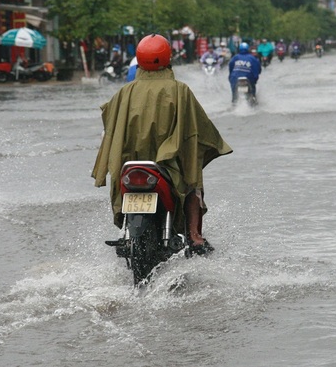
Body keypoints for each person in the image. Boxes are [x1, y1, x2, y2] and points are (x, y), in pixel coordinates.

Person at [92, 34, 232, 255]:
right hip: (168, 165)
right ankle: (194, 236)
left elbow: (110, 127)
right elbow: (197, 129)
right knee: (192, 182)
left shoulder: (123, 93)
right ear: (168, 58)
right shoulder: (180, 90)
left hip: (131, 164)